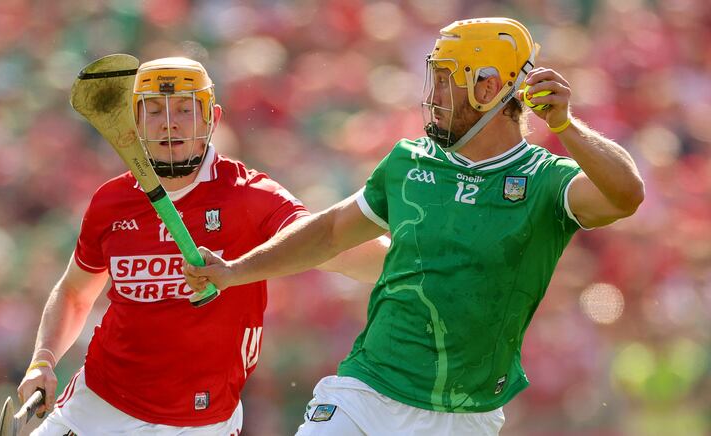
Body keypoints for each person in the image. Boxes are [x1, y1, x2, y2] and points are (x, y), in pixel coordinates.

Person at [184, 17, 645, 436]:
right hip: (368, 388)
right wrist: (235, 271)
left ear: (488, 88)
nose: (433, 96)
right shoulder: (409, 161)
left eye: (447, 82)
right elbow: (329, 233)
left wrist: (566, 127)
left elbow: (626, 195)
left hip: (466, 412)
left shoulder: (546, 181)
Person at [16, 56, 388, 435]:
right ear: (135, 121)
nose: (169, 122)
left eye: (184, 109)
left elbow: (327, 245)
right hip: (97, 406)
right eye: (154, 110)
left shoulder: (250, 196)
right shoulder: (110, 201)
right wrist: (42, 361)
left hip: (200, 424)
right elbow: (76, 293)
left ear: (212, 118)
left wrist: (418, 267)